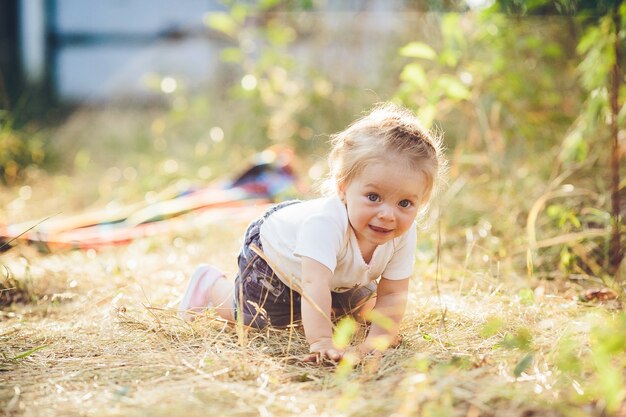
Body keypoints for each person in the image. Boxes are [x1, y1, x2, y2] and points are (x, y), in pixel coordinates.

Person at [178, 102, 446, 362]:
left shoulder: (401, 232)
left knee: (360, 312)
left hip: (334, 274)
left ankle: (334, 305)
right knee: (261, 319)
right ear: (343, 188)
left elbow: (392, 294)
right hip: (274, 255)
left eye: (405, 203)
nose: (388, 214)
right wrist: (322, 343)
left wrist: (376, 343)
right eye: (373, 196)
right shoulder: (326, 224)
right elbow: (313, 285)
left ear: (420, 202)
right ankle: (211, 285)